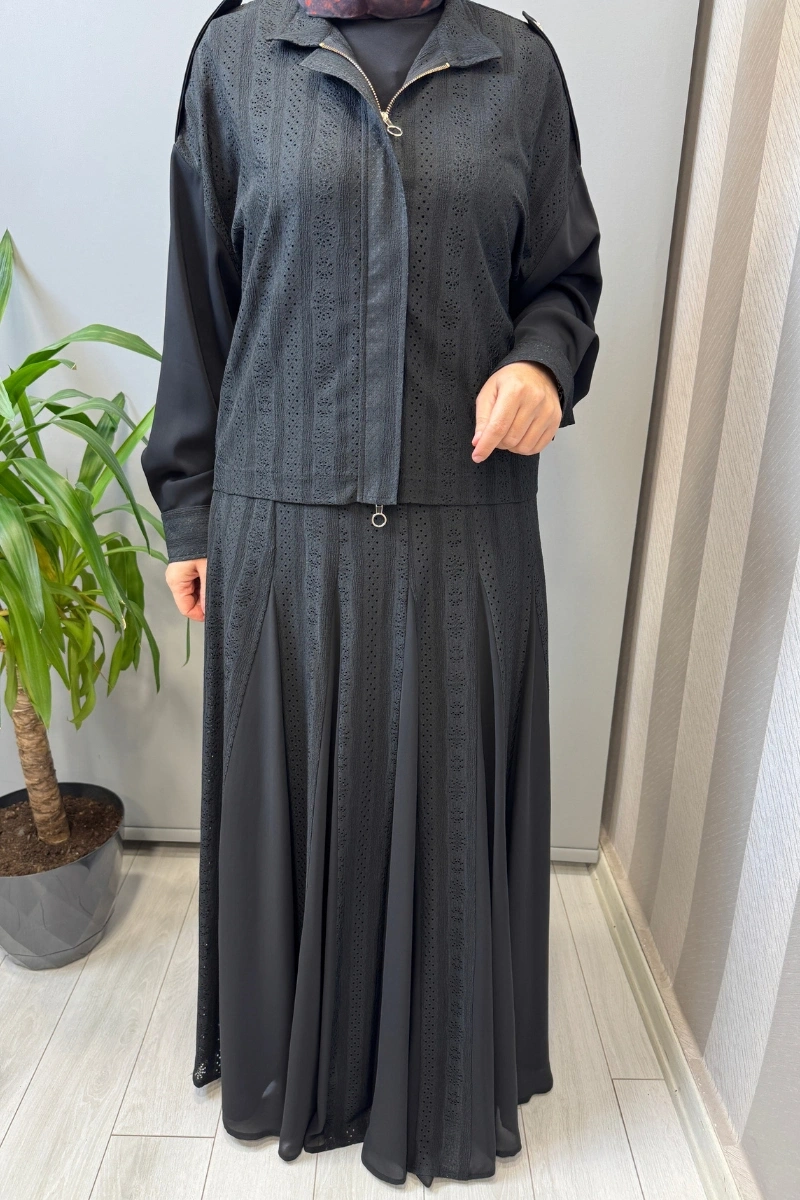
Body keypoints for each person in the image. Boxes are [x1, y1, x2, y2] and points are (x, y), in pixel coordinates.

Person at [141, 0, 602, 1186]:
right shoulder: (236, 57)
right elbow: (200, 299)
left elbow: (562, 282)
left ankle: (434, 1084)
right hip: (278, 533)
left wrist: (542, 363)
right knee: (291, 813)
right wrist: (188, 503)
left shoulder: (516, 67)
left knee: (443, 824)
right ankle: (295, 1071)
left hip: (462, 535)